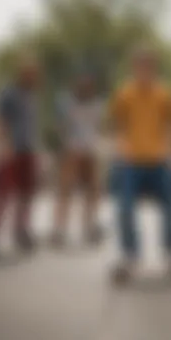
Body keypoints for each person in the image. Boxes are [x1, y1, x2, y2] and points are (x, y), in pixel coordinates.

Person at [110, 46, 171, 284]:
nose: (144, 71)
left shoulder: (165, 94)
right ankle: (130, 256)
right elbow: (117, 124)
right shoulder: (124, 93)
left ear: (154, 69)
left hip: (159, 161)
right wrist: (121, 146)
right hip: (131, 162)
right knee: (125, 208)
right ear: (134, 68)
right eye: (140, 66)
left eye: (149, 67)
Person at [0, 58, 40, 261]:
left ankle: (21, 231)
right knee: (3, 194)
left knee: (26, 194)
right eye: (28, 72)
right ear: (21, 73)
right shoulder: (9, 93)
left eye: (35, 73)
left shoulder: (31, 96)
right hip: (10, 150)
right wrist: (2, 147)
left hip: (27, 150)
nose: (32, 76)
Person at [51, 73, 104, 246]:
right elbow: (59, 126)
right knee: (65, 191)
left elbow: (99, 126)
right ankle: (59, 229)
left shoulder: (97, 105)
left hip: (89, 151)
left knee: (92, 191)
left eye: (88, 85)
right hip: (71, 151)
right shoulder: (66, 103)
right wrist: (65, 143)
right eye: (81, 84)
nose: (85, 88)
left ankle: (89, 226)